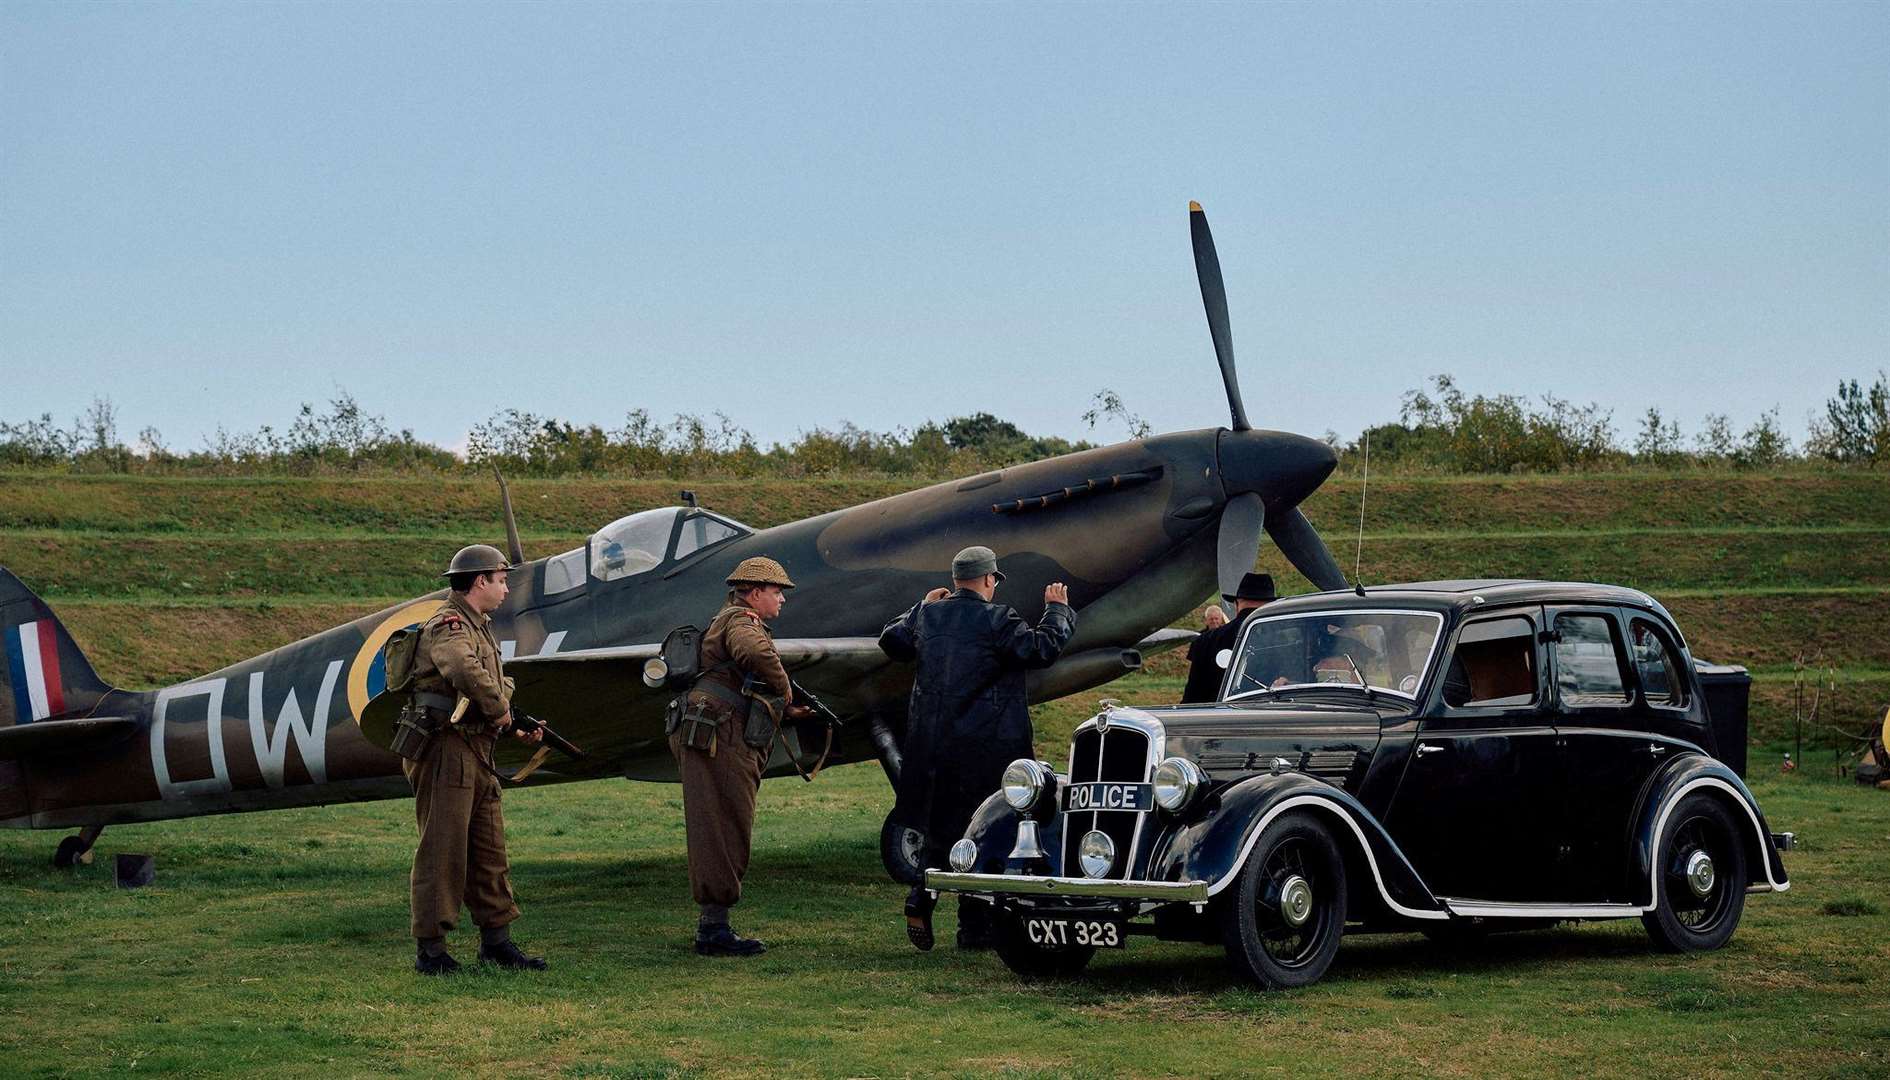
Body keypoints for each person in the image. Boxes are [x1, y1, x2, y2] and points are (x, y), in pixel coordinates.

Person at [878, 545, 1075, 951]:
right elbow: (1041, 650)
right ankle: (974, 927)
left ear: (954, 581)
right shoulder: (998, 618)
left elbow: (891, 641)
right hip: (986, 748)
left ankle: (922, 894)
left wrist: (918, 607)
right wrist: (1056, 610)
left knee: (940, 831)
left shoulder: (929, 616)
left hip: (931, 747)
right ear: (990, 580)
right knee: (983, 833)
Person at [405, 543, 546, 975]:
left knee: (489, 850)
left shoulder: (478, 624)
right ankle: (431, 951)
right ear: (480, 581)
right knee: (442, 850)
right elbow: (463, 671)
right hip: (447, 750)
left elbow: (484, 683)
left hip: (474, 749)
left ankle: (496, 942)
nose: (506, 589)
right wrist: (499, 708)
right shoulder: (449, 625)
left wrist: (512, 723)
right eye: (501, 580)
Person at [669, 555, 813, 957]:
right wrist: (785, 689)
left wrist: (785, 708)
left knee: (720, 821)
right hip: (722, 735)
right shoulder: (741, 622)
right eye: (776, 591)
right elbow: (757, 655)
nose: (781, 599)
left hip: (714, 730)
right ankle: (713, 930)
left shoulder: (730, 619)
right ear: (753, 593)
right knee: (724, 823)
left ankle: (714, 924)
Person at [1181, 573, 1278, 703]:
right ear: (1270, 605)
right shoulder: (1283, 642)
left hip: (1216, 719)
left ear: (1237, 604)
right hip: (1268, 718)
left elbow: (1192, 697)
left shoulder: (1204, 640)